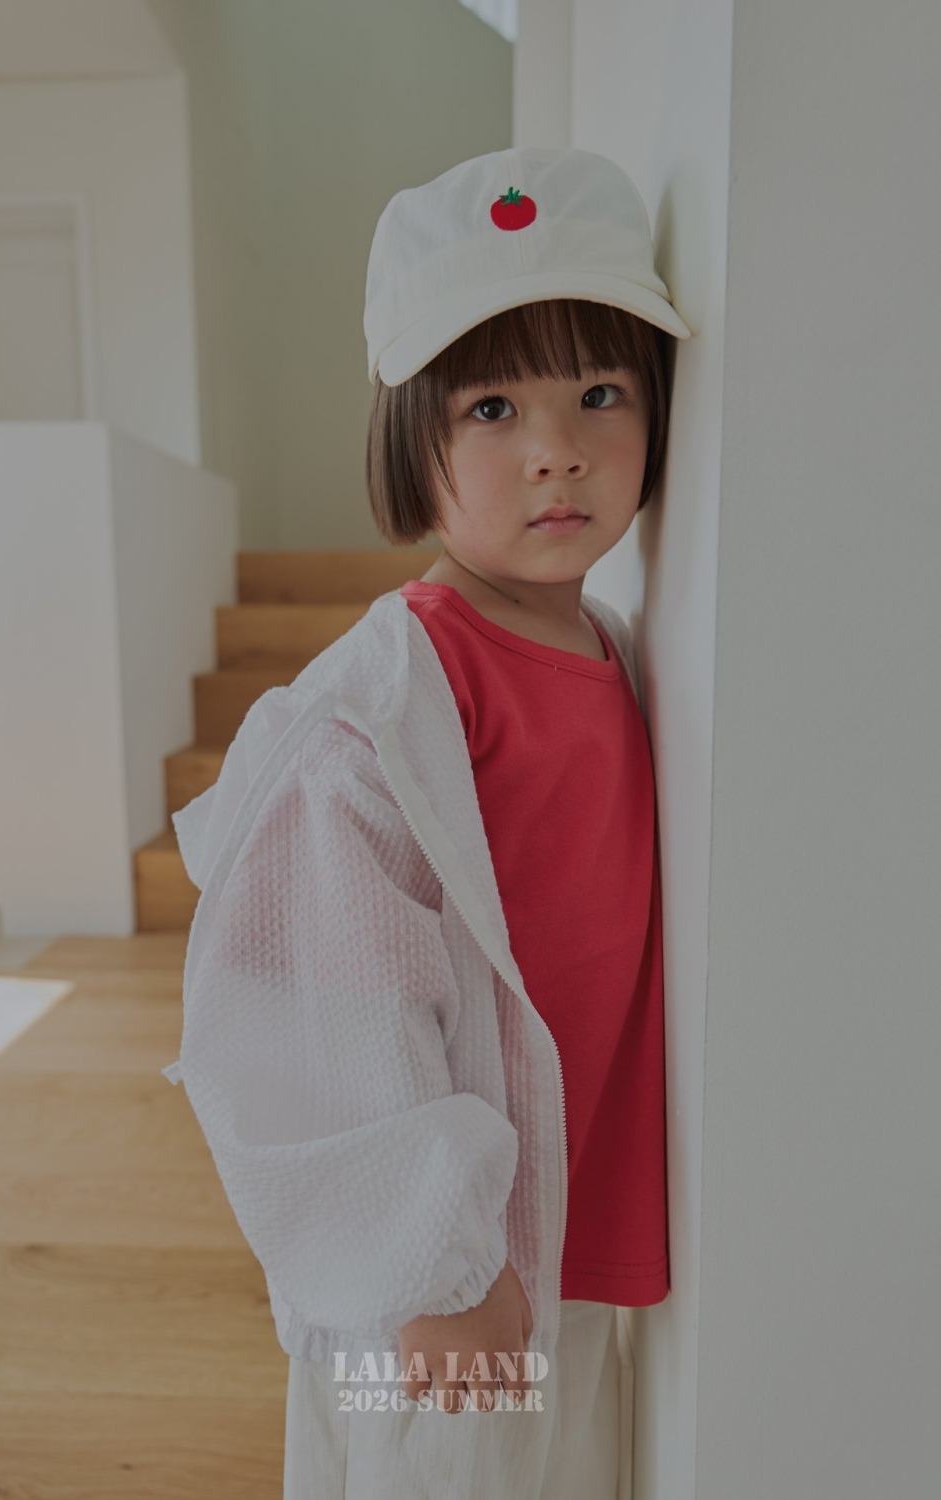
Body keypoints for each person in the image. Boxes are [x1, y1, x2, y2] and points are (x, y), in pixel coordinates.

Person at [161, 145, 691, 1498]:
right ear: (413, 441)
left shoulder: (612, 647)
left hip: (564, 1243)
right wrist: (429, 1266)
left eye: (600, 392)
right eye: (493, 407)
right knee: (429, 1476)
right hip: (438, 1292)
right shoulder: (388, 705)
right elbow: (320, 1001)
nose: (558, 448)